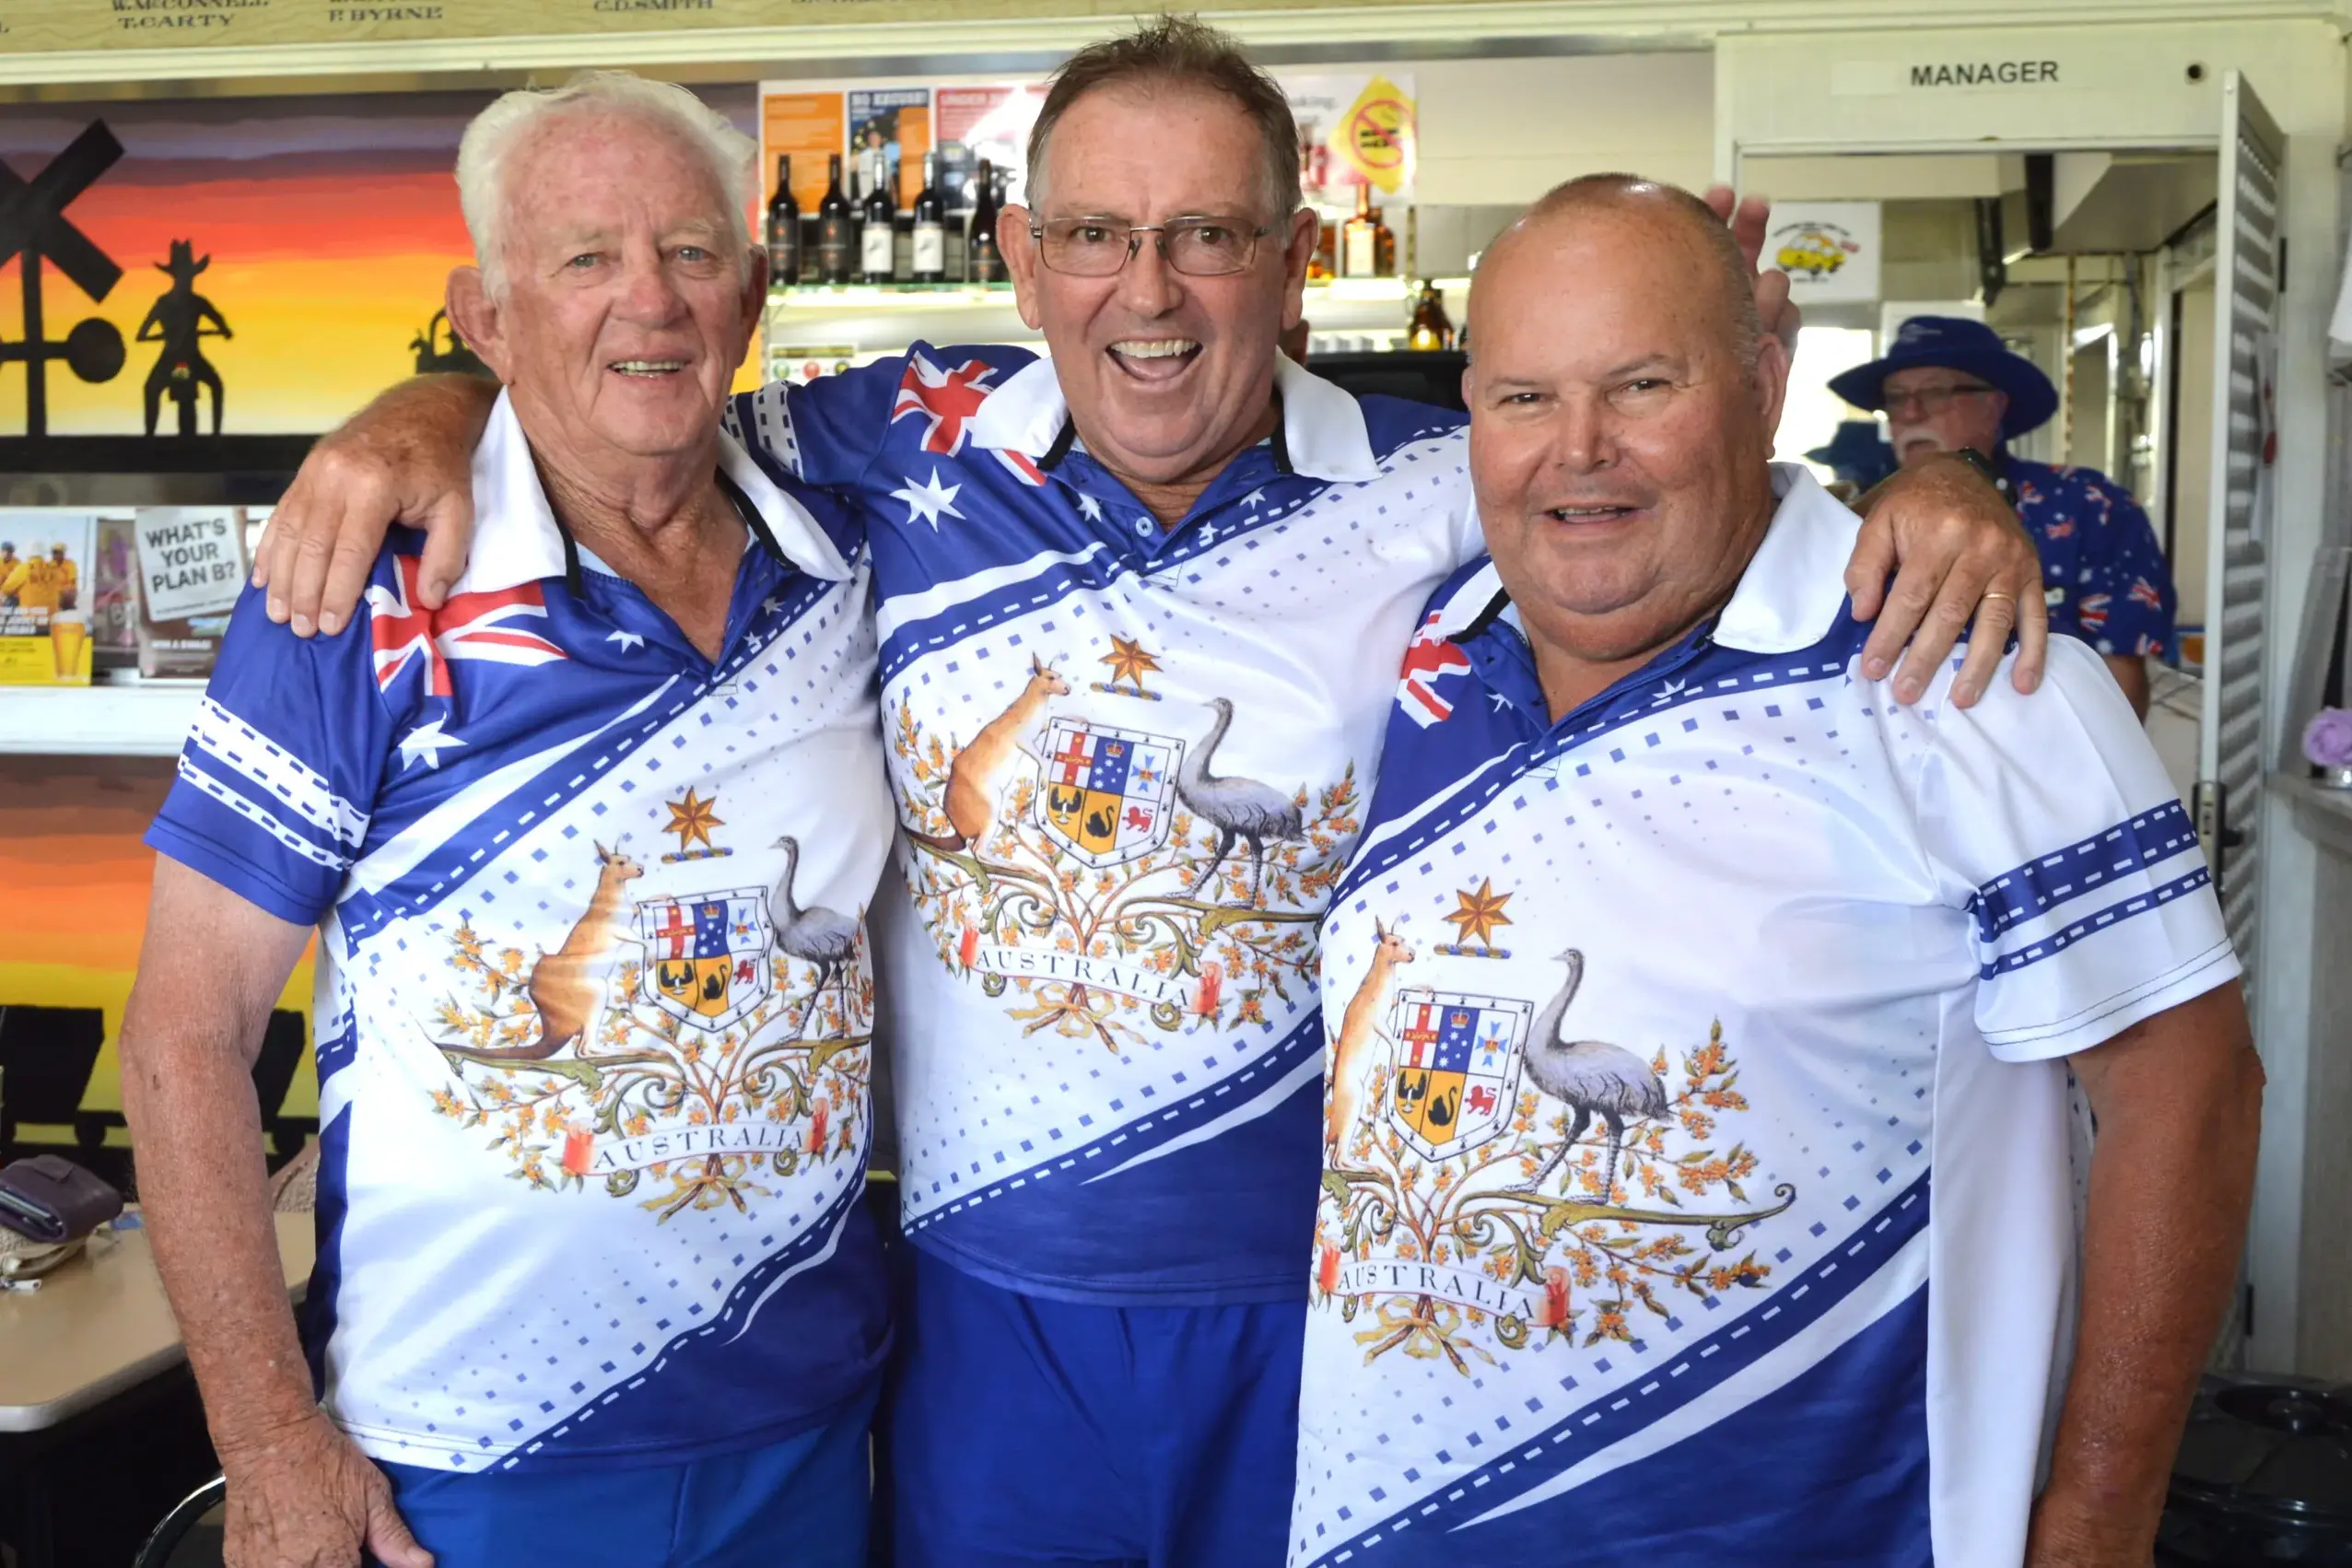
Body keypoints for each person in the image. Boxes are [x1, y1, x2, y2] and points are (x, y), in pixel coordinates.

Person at [247, 24, 2048, 1566]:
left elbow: (1676, 494)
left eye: (1206, 236)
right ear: (1025, 262)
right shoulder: (889, 452)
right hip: (979, 1332)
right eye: (1098, 235)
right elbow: (617, 394)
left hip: (1338, 1323)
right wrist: (424, 408)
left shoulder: (1440, 481)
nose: (1151, 289)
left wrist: (1924, 488)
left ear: (1285, 257)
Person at [1297, 176, 2260, 1568]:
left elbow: (2193, 1086)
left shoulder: (1959, 664)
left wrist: (2098, 1522)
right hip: (1395, 1517)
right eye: (1521, 399)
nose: (1579, 452)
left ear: (1762, 379)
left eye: (1641, 385)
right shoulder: (1419, 639)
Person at [119, 74, 894, 1568]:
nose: (649, 302)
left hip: (805, 1431)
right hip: (467, 1460)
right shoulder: (358, 593)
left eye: (687, 252)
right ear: (486, 317)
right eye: (585, 260)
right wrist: (272, 1441)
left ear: (752, 292)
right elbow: (184, 1033)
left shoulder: (855, 537)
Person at [1831, 314, 2177, 717]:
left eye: (1936, 393)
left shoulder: (2088, 505)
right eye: (1895, 397)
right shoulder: (1856, 518)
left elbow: (2121, 669)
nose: (1909, 413)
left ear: (1994, 406)